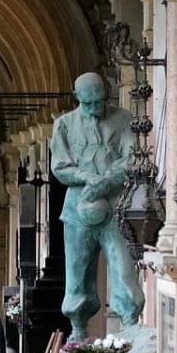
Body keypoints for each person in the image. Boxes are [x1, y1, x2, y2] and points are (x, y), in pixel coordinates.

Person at [50, 72, 145, 339]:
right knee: (77, 271)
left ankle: (130, 324)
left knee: (124, 266)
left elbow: (133, 158)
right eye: (89, 103)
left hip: (117, 205)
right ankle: (78, 331)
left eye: (100, 102)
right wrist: (85, 177)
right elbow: (60, 167)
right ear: (77, 98)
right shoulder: (64, 125)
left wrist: (106, 182)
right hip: (78, 207)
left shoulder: (124, 119)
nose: (95, 109)